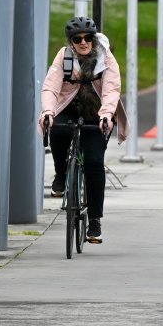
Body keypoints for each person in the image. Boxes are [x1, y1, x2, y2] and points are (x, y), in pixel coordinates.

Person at [38, 16, 129, 244]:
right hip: (68, 106)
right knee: (57, 130)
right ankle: (61, 174)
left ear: (93, 38)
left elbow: (112, 89)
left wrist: (107, 114)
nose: (83, 42)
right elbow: (50, 86)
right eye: (77, 39)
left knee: (94, 163)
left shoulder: (105, 57)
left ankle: (95, 221)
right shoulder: (64, 56)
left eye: (88, 38)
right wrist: (48, 111)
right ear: (71, 42)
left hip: (98, 111)